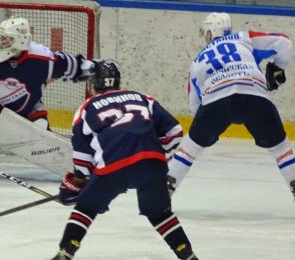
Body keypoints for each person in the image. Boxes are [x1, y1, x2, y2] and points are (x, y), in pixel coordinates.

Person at [51, 60, 199, 260]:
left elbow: (83, 162)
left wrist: (77, 185)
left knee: (86, 208)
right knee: (160, 214)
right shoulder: (143, 98)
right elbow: (175, 134)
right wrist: (153, 152)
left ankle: (65, 253)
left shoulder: (86, 108)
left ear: (93, 84)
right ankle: (188, 256)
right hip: (152, 162)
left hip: (113, 165)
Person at [167, 12, 295, 214]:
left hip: (216, 103)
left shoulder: (197, 61)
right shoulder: (244, 39)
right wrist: (277, 68)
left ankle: (166, 188)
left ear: (211, 32)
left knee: (189, 149)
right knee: (280, 148)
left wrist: (205, 128)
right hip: (253, 96)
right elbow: (284, 43)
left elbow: (194, 104)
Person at [0, 16, 95, 165]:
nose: (2, 42)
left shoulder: (43, 57)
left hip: (29, 116)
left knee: (54, 156)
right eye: (2, 37)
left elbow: (75, 66)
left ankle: (77, 163)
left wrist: (95, 68)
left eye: (8, 38)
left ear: (22, 40)